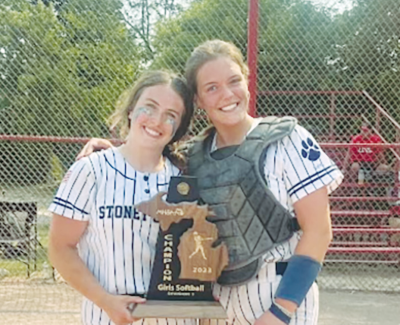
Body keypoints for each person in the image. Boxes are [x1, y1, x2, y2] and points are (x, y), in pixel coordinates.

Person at [77, 40, 343, 325]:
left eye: (234, 81)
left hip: (280, 294)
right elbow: (147, 159)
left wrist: (280, 312)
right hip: (219, 305)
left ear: (247, 80)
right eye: (212, 88)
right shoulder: (193, 155)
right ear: (199, 100)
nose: (227, 94)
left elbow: (319, 231)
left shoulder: (288, 139)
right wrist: (110, 150)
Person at [48, 70, 195, 325]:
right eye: (149, 107)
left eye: (171, 116)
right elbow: (60, 248)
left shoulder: (184, 181)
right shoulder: (91, 170)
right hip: (107, 318)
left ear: (178, 128)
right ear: (131, 109)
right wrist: (105, 300)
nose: (157, 121)